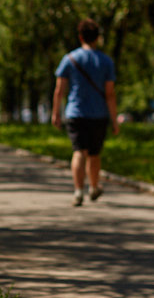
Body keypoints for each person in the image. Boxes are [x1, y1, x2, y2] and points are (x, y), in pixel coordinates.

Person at [51, 18, 119, 206]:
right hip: (99, 114)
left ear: (80, 37)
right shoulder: (106, 61)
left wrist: (56, 113)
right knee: (95, 154)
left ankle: (78, 191)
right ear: (97, 38)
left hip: (75, 113)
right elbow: (110, 94)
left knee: (79, 152)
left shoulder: (69, 59)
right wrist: (114, 120)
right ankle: (94, 187)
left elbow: (59, 90)